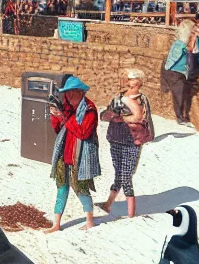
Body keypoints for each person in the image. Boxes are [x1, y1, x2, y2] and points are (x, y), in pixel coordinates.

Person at [46, 75, 100, 232]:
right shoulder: (67, 107)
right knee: (61, 188)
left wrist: (65, 118)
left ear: (80, 92)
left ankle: (90, 220)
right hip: (65, 154)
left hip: (81, 158)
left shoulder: (90, 109)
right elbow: (59, 130)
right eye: (66, 93)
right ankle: (56, 224)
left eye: (71, 92)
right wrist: (55, 116)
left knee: (81, 189)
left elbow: (83, 132)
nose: (68, 96)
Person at [98, 68, 151, 218]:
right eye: (129, 78)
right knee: (119, 173)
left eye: (134, 78)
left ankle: (131, 213)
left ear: (140, 81)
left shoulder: (141, 99)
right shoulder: (118, 97)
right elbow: (104, 115)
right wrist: (111, 115)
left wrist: (123, 118)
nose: (130, 81)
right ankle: (108, 205)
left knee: (126, 176)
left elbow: (141, 119)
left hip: (131, 141)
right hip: (116, 138)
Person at [161, 20, 199, 125]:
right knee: (179, 94)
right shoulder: (179, 44)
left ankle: (182, 116)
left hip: (180, 72)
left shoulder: (182, 43)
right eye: (191, 32)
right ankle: (180, 118)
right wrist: (193, 38)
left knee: (182, 92)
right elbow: (188, 50)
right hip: (174, 72)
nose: (193, 34)